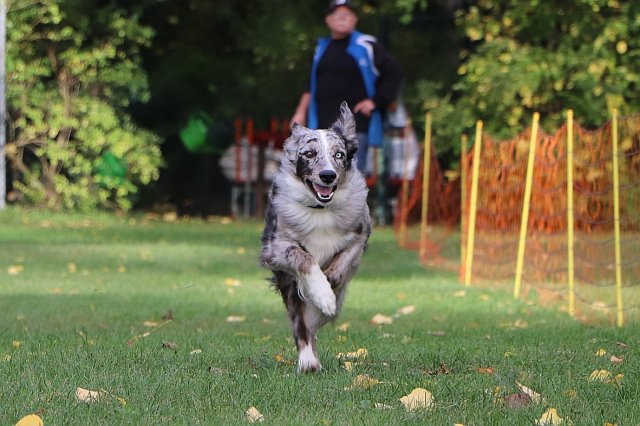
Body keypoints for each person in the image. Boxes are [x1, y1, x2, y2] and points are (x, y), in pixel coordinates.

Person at [291, 0, 403, 174]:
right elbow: (311, 83)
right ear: (328, 20)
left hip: (353, 128)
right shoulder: (321, 48)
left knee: (350, 178)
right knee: (321, 176)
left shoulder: (366, 46)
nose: (342, 17)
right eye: (337, 14)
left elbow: (394, 72)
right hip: (322, 128)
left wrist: (376, 102)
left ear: (355, 20)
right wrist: (300, 112)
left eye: (347, 14)